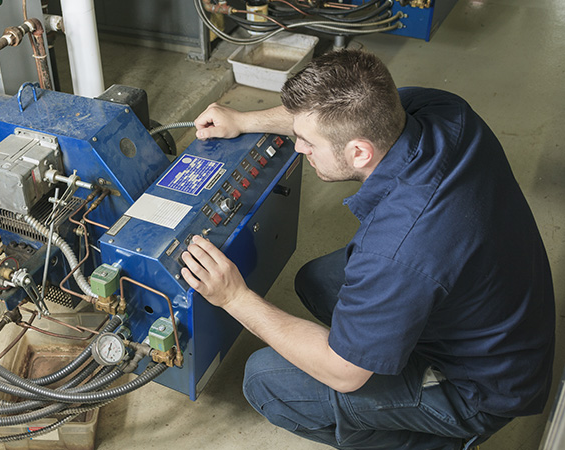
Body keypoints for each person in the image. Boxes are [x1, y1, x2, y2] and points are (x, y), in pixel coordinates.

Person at [182, 49, 555, 450]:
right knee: (318, 280)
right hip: (498, 305)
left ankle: (441, 439)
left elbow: (344, 374)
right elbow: (326, 117)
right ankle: (391, 350)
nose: (298, 148)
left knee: (266, 379)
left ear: (359, 152)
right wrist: (244, 120)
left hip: (482, 385)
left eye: (307, 143)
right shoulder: (443, 111)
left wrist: (234, 297)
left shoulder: (396, 248)